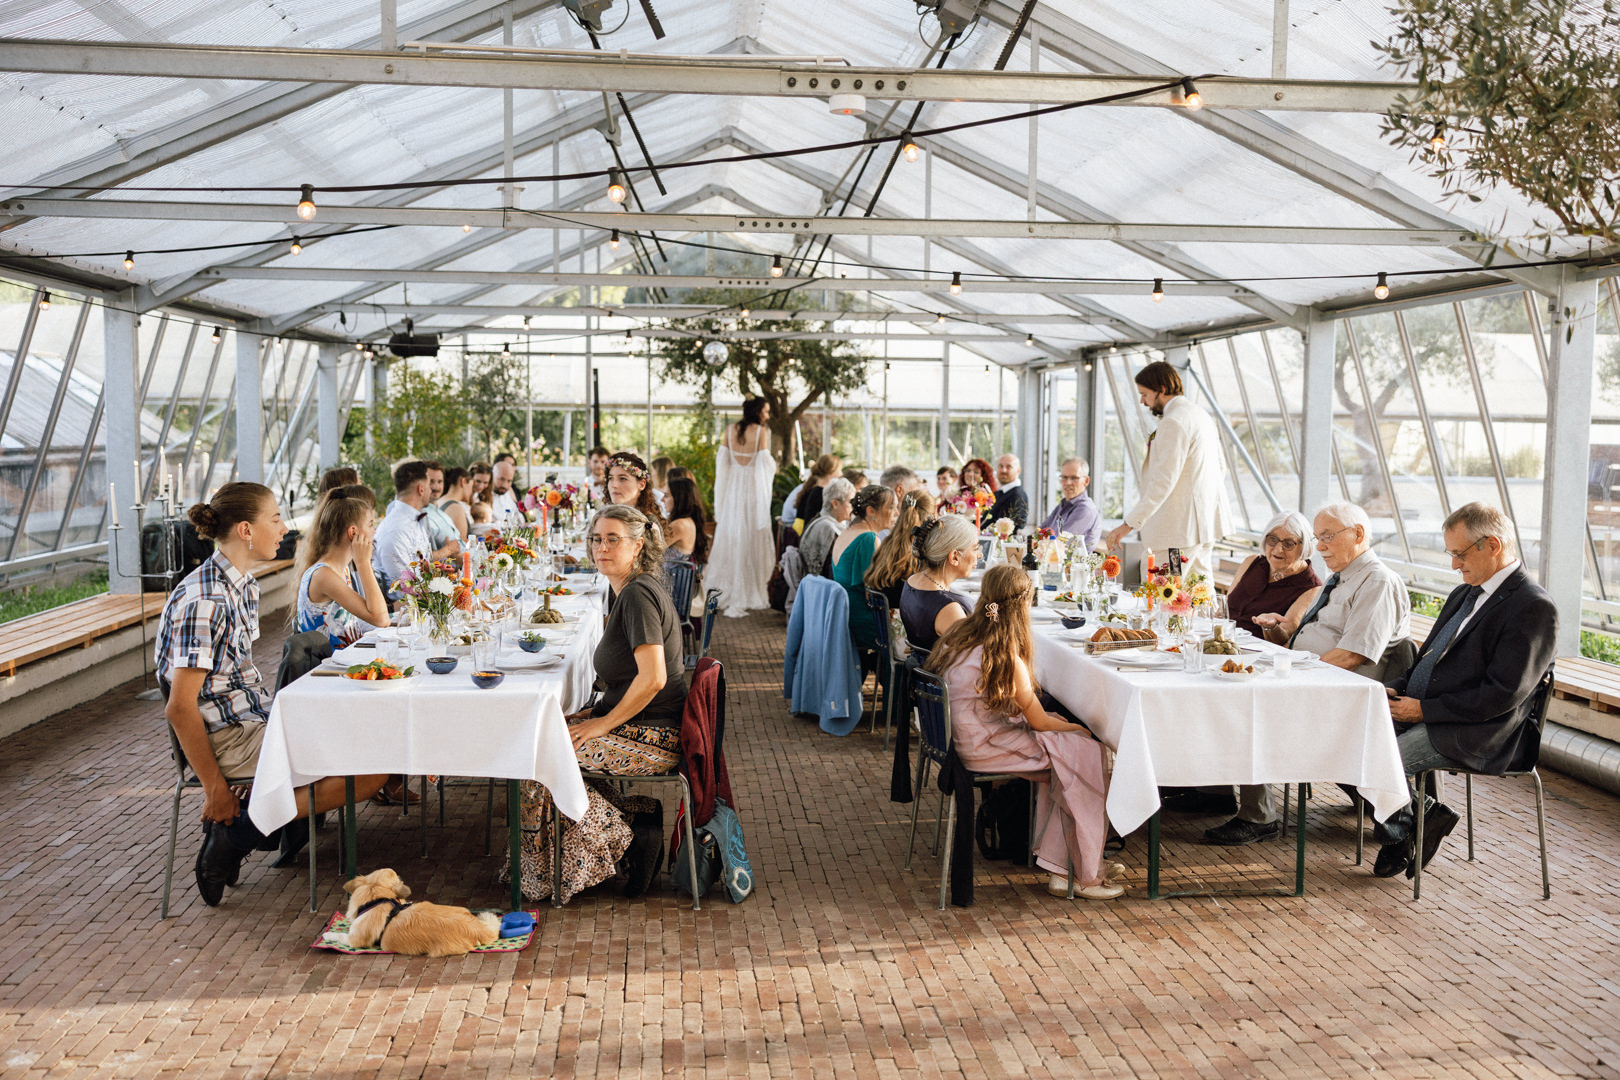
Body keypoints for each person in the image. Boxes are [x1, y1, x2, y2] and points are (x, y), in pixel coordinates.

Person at [159, 482, 388, 906]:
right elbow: (179, 708)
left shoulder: (241, 584)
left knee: (374, 745)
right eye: (276, 519)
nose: (285, 528)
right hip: (229, 738)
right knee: (371, 768)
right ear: (246, 530)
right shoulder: (205, 600)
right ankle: (236, 835)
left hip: (256, 720)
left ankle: (241, 829)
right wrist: (215, 789)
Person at [512, 505, 688, 902]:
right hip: (643, 724)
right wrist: (594, 713)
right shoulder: (628, 589)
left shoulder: (638, 596)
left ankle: (627, 839)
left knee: (536, 757)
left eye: (613, 540)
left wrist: (601, 724)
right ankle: (636, 818)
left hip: (657, 736)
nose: (601, 548)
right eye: (596, 539)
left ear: (637, 545)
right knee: (543, 733)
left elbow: (654, 678)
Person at [1373, 503, 1557, 879]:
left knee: (1378, 762)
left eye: (1460, 554)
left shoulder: (1533, 607)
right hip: (1434, 712)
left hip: (1480, 731)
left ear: (1493, 545)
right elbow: (1427, 662)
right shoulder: (1465, 593)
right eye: (1451, 554)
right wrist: (1390, 690)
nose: (1454, 564)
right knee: (1348, 742)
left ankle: (1407, 830)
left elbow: (1502, 695)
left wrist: (1424, 710)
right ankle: (1421, 818)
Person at [926, 566, 1121, 900]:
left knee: (1067, 758)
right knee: (1085, 755)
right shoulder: (1004, 654)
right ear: (1022, 606)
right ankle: (1083, 874)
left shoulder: (959, 637)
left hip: (961, 740)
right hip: (984, 747)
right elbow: (1040, 722)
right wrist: (1079, 729)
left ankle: (1065, 866)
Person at [1104, 361, 1229, 580]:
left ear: (1161, 389)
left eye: (1144, 394)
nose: (1143, 401)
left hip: (1177, 536)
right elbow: (1221, 467)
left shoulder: (1174, 422)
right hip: (1203, 529)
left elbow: (1163, 482)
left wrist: (1128, 524)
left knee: (1162, 590)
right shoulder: (1200, 415)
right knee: (1198, 593)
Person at [706, 397, 777, 617]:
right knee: (749, 537)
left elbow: (722, 464)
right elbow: (764, 465)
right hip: (753, 492)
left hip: (732, 490)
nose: (767, 415)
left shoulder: (730, 430)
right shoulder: (762, 432)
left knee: (732, 535)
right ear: (757, 412)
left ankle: (723, 588)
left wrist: (723, 496)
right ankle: (748, 588)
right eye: (766, 411)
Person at [294, 487, 389, 650]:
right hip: (330, 663)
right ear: (353, 532)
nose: (374, 532)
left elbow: (366, 618)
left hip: (347, 658)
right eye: (370, 525)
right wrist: (363, 563)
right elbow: (381, 619)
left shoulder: (341, 569)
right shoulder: (323, 575)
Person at [1222, 510, 1320, 637]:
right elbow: (1224, 610)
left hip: (1255, 646)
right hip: (1222, 639)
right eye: (1273, 540)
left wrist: (1271, 627)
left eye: (1288, 544)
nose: (1278, 549)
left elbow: (1284, 635)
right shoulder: (1251, 562)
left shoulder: (1312, 588)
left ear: (1304, 546)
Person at [832, 484, 898, 655]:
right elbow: (872, 593)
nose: (896, 513)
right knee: (907, 635)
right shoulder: (868, 539)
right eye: (891, 508)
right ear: (871, 511)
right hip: (861, 620)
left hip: (844, 614)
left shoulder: (847, 532)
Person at [900, 514, 979, 655]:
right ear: (954, 557)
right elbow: (973, 657)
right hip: (941, 669)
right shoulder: (948, 609)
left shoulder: (913, 580)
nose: (979, 555)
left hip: (920, 665)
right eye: (974, 549)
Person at [374, 460, 459, 586]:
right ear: (421, 489)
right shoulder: (397, 530)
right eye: (429, 484)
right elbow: (407, 589)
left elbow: (423, 564)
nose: (432, 489)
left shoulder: (414, 520)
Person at [865, 489, 936, 611]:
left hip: (885, 618)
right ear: (931, 517)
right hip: (906, 619)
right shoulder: (921, 554)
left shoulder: (887, 543)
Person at [799, 477, 854, 580]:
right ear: (835, 504)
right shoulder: (828, 528)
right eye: (851, 501)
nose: (853, 506)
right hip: (821, 586)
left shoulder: (819, 519)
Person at [1040, 458, 1102, 550]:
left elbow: (1059, 543)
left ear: (1086, 481)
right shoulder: (1064, 505)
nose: (1068, 483)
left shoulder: (1085, 509)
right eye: (1064, 477)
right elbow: (1040, 532)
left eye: (1074, 478)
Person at [605, 451, 667, 534]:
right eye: (610, 478)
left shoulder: (648, 523)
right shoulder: (606, 517)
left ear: (642, 484)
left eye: (623, 479)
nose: (614, 485)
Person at [664, 474, 709, 569]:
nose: (662, 499)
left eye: (666, 496)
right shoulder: (689, 522)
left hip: (669, 577)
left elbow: (652, 549)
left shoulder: (679, 525)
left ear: (679, 499)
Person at [791, 454, 842, 533]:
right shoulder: (819, 493)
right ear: (831, 470)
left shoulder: (812, 488)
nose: (841, 474)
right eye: (839, 470)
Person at [421, 461, 460, 553]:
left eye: (440, 482)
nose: (436, 487)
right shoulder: (421, 516)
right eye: (431, 482)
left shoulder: (443, 515)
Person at [989, 455, 1029, 531]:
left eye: (1009, 467)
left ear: (1018, 471)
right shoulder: (999, 493)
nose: (1003, 470)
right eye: (1001, 466)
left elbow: (1014, 529)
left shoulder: (1017, 496)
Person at [437, 466, 474, 542]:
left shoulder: (439, 501)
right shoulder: (456, 509)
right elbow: (461, 544)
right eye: (471, 486)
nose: (471, 492)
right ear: (463, 482)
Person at [488, 459, 522, 523]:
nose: (505, 485)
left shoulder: (507, 494)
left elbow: (519, 518)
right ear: (492, 476)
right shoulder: (482, 496)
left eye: (509, 481)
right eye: (501, 479)